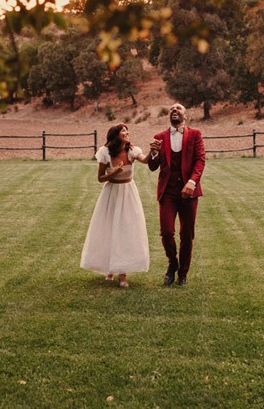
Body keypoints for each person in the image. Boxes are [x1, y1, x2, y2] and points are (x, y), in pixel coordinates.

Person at [80, 123, 150, 288]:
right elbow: (100, 178)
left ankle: (122, 274)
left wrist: (154, 151)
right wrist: (114, 173)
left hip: (128, 193)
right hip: (111, 193)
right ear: (115, 136)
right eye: (123, 131)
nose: (126, 132)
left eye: (127, 130)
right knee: (110, 228)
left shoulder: (132, 150)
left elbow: (145, 161)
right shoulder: (105, 153)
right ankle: (110, 268)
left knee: (125, 230)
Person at [148, 103, 205, 286]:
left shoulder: (195, 134)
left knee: (187, 234)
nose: (174, 110)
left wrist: (192, 181)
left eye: (178, 108)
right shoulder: (159, 137)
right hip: (168, 192)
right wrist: (154, 154)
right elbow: (152, 166)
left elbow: (200, 160)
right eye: (172, 109)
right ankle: (172, 264)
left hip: (189, 192)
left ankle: (183, 273)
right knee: (166, 232)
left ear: (185, 116)